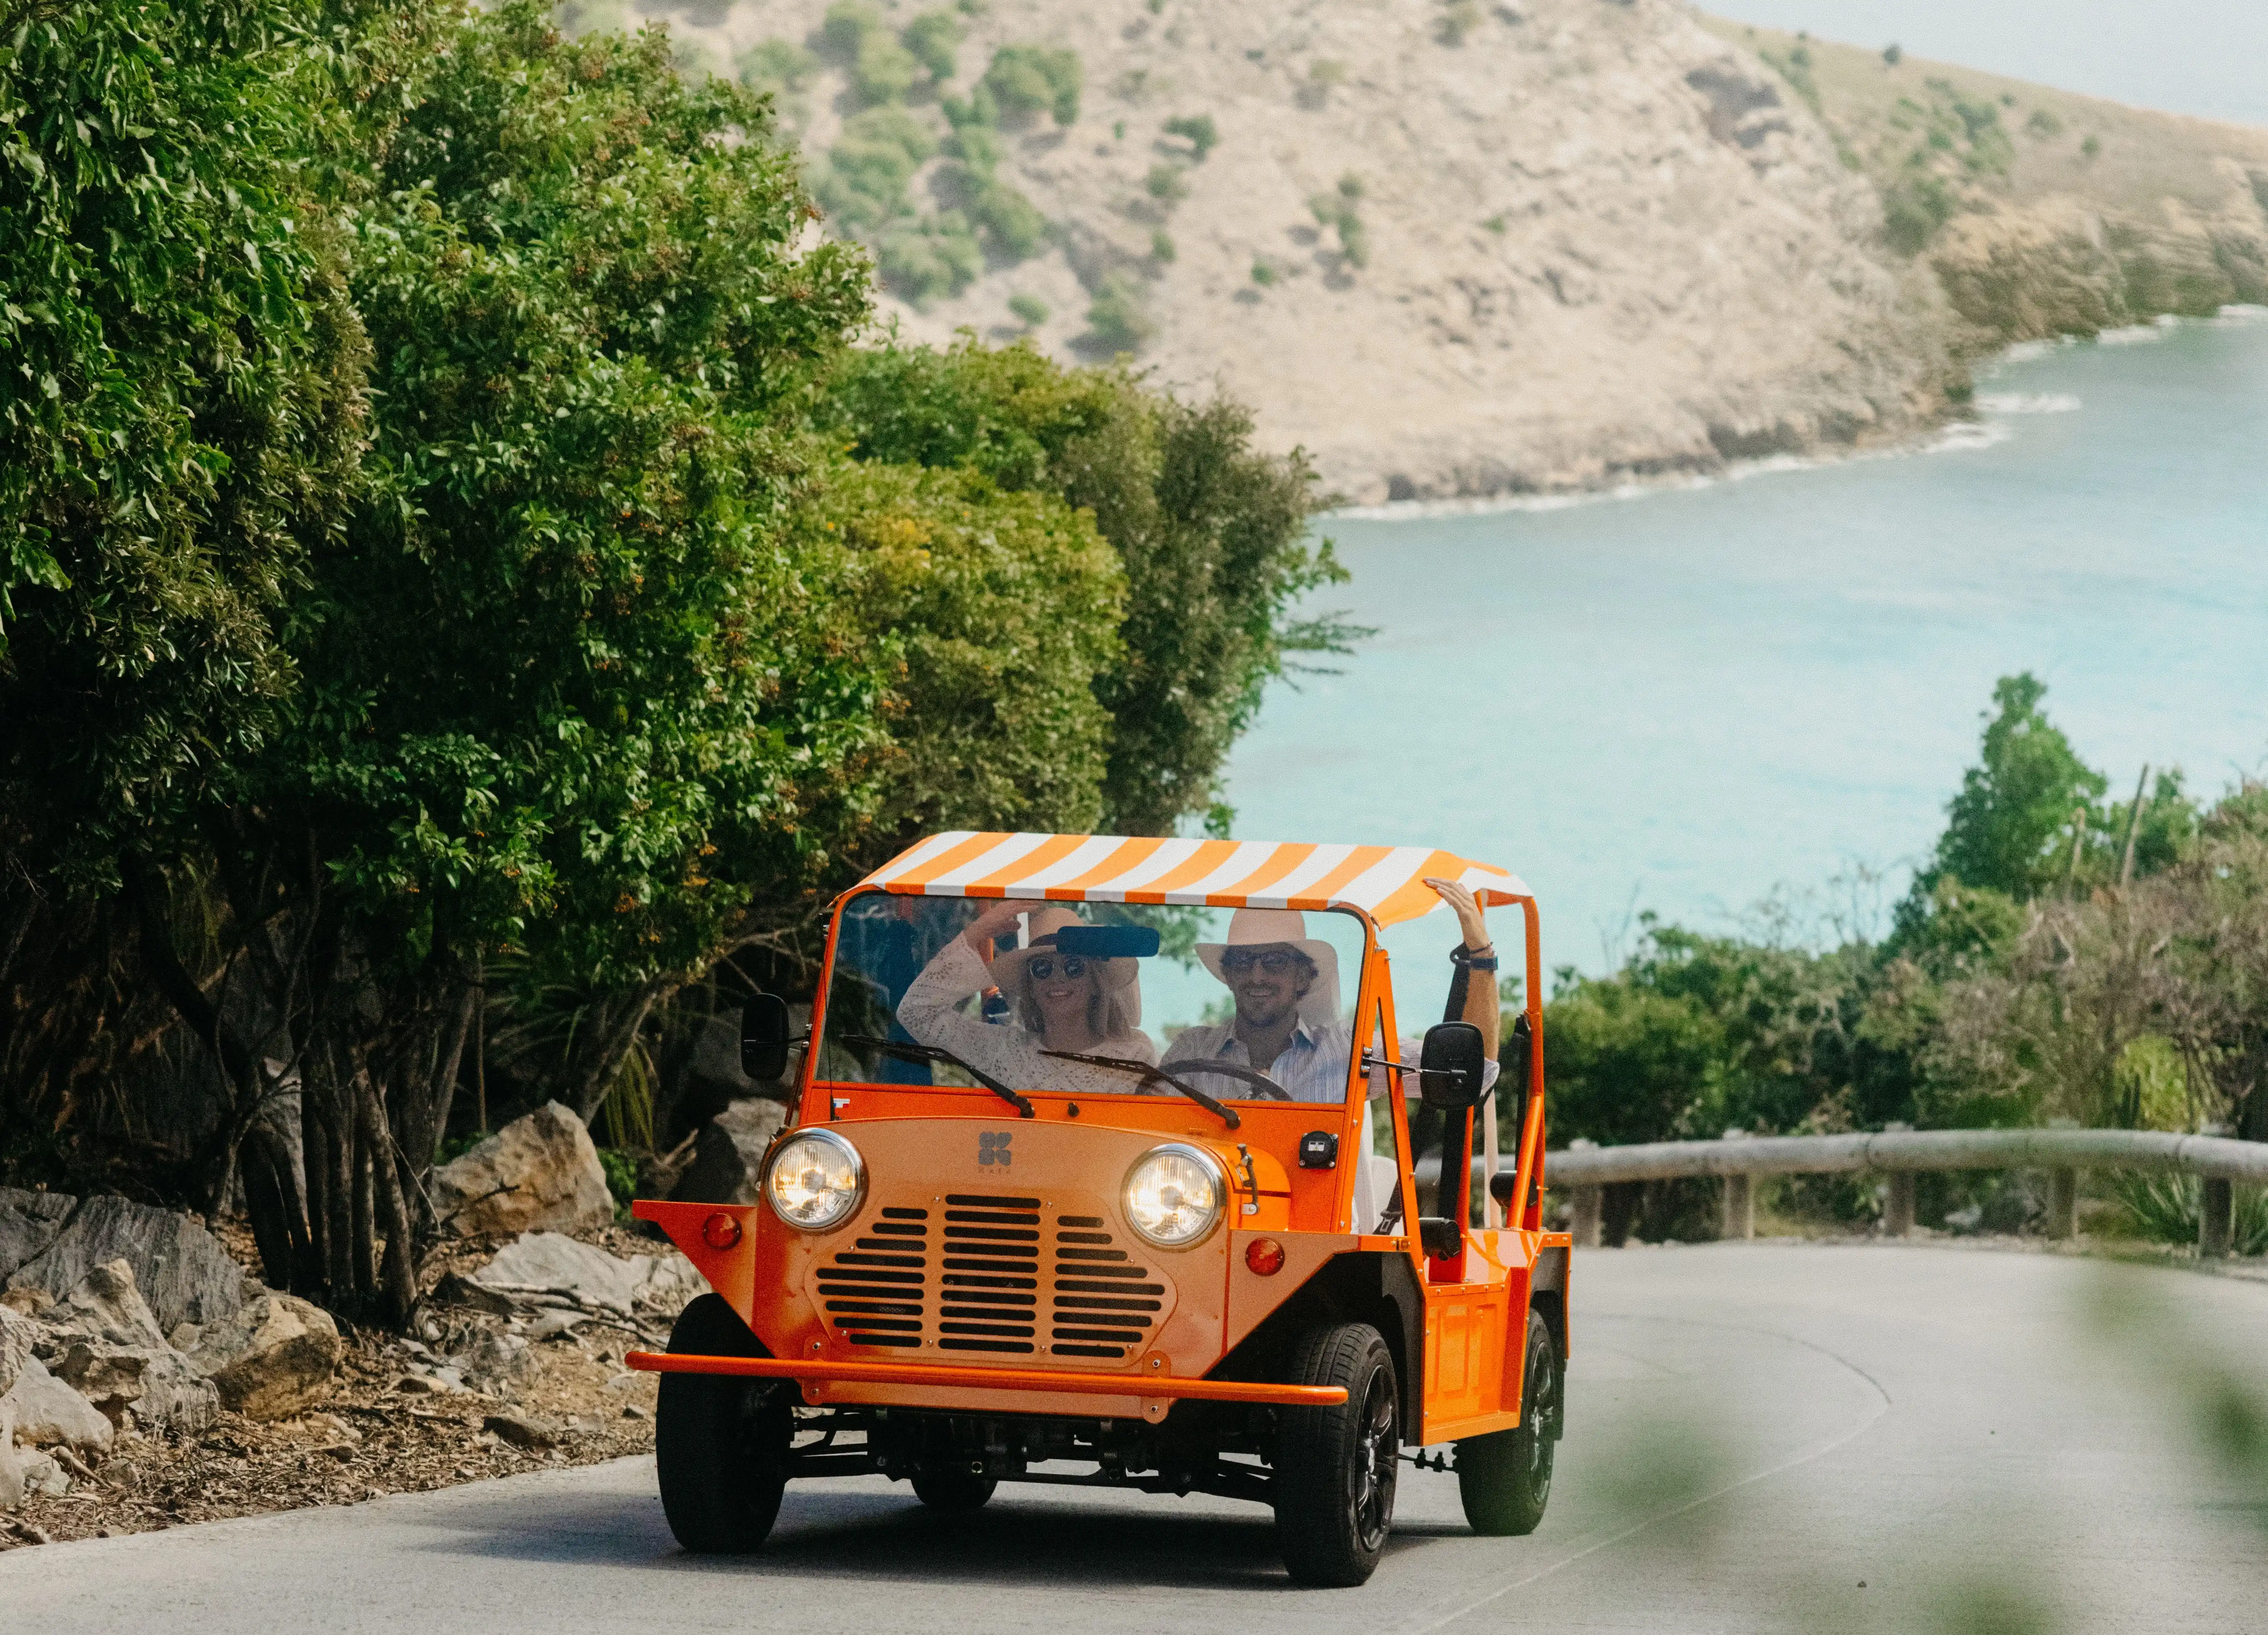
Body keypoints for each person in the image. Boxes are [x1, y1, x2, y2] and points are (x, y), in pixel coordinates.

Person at [1162, 880, 1501, 1227]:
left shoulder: (1351, 1050)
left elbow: (1479, 1072)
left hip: (1321, 1245)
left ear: (1303, 978)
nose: (1257, 976)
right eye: (1244, 962)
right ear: (1229, 976)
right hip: (1198, 1231)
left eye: (1275, 962)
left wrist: (1482, 957)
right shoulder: (1192, 1050)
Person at [895, 900, 1158, 1098]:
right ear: (1029, 986)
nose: (1057, 979)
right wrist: (979, 930)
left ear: (1095, 983)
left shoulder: (1136, 1058)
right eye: (1042, 968)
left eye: (1074, 966)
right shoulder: (1003, 1050)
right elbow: (917, 1013)